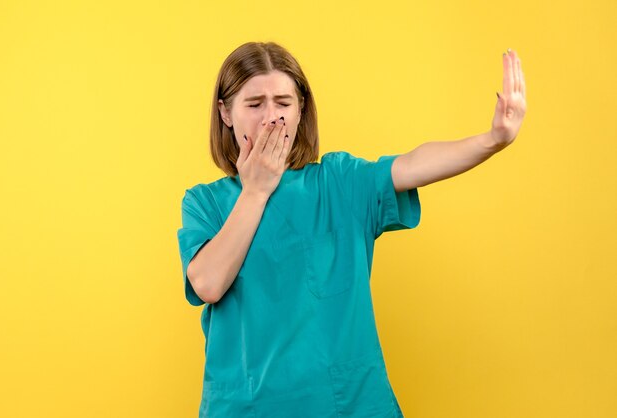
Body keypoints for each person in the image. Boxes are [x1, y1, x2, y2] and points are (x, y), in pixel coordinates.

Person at [177, 41, 526, 418]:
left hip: (350, 405)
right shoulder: (204, 203)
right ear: (225, 113)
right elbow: (208, 284)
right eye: (254, 104)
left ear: (300, 112)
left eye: (283, 102)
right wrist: (256, 190)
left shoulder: (337, 182)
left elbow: (412, 165)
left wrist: (493, 140)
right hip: (247, 408)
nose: (271, 118)